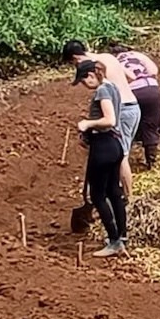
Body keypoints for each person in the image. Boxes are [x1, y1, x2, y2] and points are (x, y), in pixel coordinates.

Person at [73, 57, 138, 255]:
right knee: (113, 192)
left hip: (104, 146)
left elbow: (109, 120)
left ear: (92, 75)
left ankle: (114, 240)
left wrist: (87, 124)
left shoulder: (102, 90)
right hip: (115, 145)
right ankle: (122, 236)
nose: (84, 85)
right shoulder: (113, 86)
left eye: (84, 81)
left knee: (98, 195)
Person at [61, 40, 140, 200]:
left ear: (76, 58)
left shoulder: (95, 66)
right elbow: (131, 77)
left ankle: (129, 198)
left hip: (122, 110)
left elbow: (106, 94)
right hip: (133, 106)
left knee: (121, 155)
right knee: (120, 152)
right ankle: (117, 191)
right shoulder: (107, 57)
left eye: (73, 63)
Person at [109, 40, 160, 170]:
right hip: (152, 89)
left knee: (128, 125)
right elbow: (154, 70)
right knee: (150, 124)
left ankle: (123, 159)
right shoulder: (138, 55)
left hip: (133, 92)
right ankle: (152, 160)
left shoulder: (114, 62)